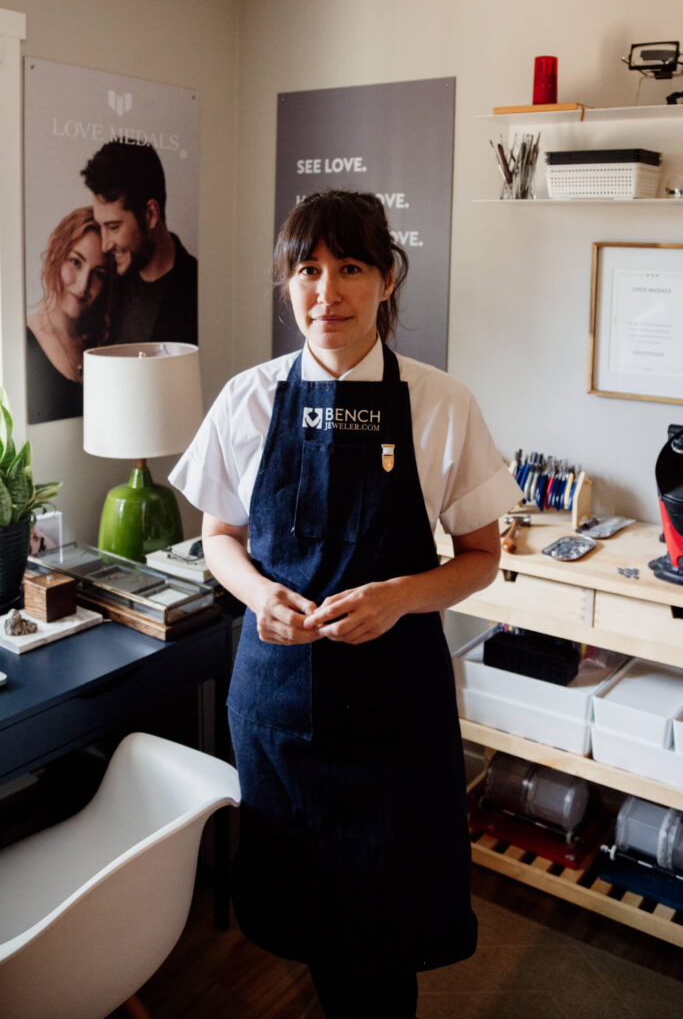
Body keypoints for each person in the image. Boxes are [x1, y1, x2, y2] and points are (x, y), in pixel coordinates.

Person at [170, 190, 519, 1019]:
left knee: (387, 925)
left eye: (350, 268)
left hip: (396, 708)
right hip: (282, 703)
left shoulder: (440, 402)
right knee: (315, 912)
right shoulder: (247, 399)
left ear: (388, 278)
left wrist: (401, 596)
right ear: (286, 284)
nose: (327, 291)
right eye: (307, 270)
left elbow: (480, 558)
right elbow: (219, 536)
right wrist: (259, 595)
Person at [80, 139, 197, 345]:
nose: (105, 245)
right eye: (101, 226)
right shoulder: (103, 281)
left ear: (150, 214)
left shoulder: (198, 291)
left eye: (114, 227)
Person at [26, 206, 110, 424]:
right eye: (75, 262)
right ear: (56, 253)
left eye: (98, 274)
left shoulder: (107, 342)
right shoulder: (23, 341)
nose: (83, 285)